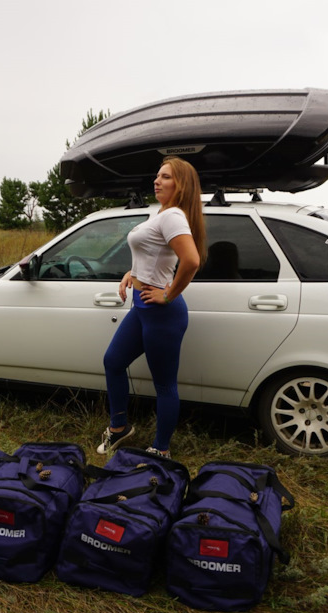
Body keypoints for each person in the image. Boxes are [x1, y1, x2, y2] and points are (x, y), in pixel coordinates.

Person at [98, 156, 207, 459]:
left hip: (162, 312)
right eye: (157, 175)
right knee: (113, 361)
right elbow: (154, 257)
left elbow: (192, 261)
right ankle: (120, 428)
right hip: (142, 308)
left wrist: (168, 295)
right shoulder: (162, 214)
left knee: (164, 384)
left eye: (166, 177)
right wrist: (130, 274)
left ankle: (161, 450)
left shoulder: (173, 216)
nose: (157, 181)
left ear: (181, 185)